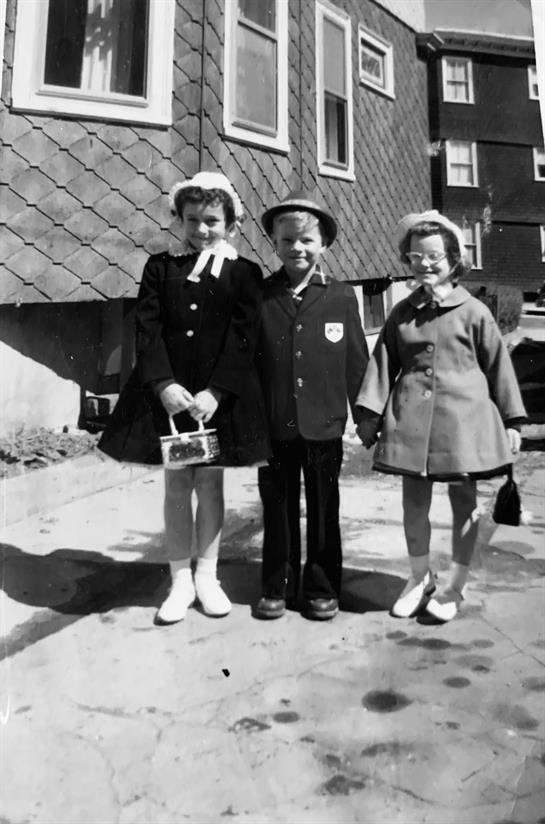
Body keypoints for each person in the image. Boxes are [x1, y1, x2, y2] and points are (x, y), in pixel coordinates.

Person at [99, 171, 269, 624]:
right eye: (192, 219)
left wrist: (217, 391)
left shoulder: (244, 273)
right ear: (179, 219)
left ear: (231, 223)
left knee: (210, 483)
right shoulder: (161, 267)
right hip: (170, 400)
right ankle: (179, 581)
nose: (201, 229)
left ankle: (208, 576)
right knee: (177, 484)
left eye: (212, 219)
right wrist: (163, 384)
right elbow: (147, 327)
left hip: (215, 402)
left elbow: (243, 337)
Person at [356, 210, 526, 622]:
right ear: (407, 261)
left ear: (453, 259)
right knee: (413, 505)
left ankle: (453, 587)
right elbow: (382, 363)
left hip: (464, 426)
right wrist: (370, 414)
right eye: (416, 257)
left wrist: (512, 420)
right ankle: (419, 579)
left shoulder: (474, 312)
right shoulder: (402, 313)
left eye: (434, 256)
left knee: (463, 504)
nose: (425, 264)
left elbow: (499, 366)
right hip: (411, 422)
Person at [254, 191, 369, 621]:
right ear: (274, 243)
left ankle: (321, 586)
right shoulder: (262, 295)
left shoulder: (340, 296)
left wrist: (367, 419)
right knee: (278, 508)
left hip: (324, 425)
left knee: (324, 509)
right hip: (275, 424)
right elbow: (251, 362)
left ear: (323, 245)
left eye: (306, 241)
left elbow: (357, 362)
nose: (296, 249)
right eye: (287, 241)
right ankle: (277, 585)